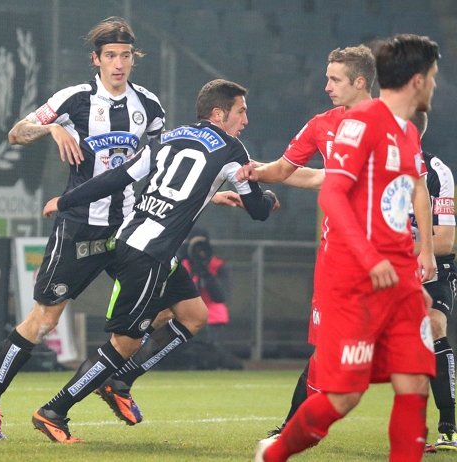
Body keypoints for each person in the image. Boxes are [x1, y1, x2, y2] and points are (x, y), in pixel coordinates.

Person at [0, 17, 240, 440]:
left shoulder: (149, 106)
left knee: (192, 314)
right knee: (43, 322)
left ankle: (119, 380)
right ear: (96, 59)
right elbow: (16, 133)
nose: (118, 63)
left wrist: (207, 194)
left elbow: (162, 162)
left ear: (134, 59)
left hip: (132, 230)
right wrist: (52, 127)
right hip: (79, 229)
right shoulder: (74, 98)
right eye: (110, 55)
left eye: (125, 55)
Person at [36, 78, 279, 443]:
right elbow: (260, 211)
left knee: (195, 315)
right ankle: (54, 411)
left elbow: (117, 177)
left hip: (138, 244)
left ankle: (121, 381)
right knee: (125, 342)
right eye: (241, 112)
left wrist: (66, 199)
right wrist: (268, 193)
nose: (245, 120)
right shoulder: (233, 150)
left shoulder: (168, 137)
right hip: (147, 256)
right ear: (218, 113)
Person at [255, 33, 441, 462]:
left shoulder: (408, 132)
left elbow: (410, 197)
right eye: (432, 76)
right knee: (345, 396)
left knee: (414, 383)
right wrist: (370, 256)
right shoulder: (361, 123)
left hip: (399, 277)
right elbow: (332, 194)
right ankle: (274, 453)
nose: (434, 84)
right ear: (417, 80)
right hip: (357, 275)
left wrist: (420, 259)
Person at [409, 111, 457, 453]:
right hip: (387, 269)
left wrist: (389, 246)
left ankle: (449, 426)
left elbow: (443, 242)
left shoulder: (437, 173)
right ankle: (295, 422)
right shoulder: (374, 169)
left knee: (433, 325)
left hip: (433, 268)